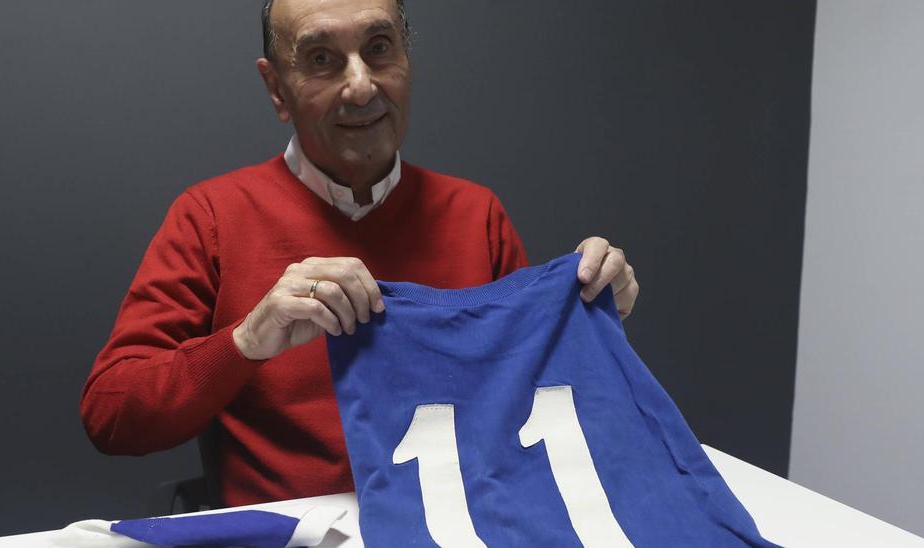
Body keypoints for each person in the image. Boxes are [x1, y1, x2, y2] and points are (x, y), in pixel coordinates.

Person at [80, 0, 640, 508]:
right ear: (277, 89)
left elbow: (539, 406)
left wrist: (588, 319)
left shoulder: (476, 214)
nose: (362, 87)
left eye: (379, 49)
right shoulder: (211, 216)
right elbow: (111, 414)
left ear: (406, 60)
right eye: (322, 59)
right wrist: (248, 339)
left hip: (459, 525)